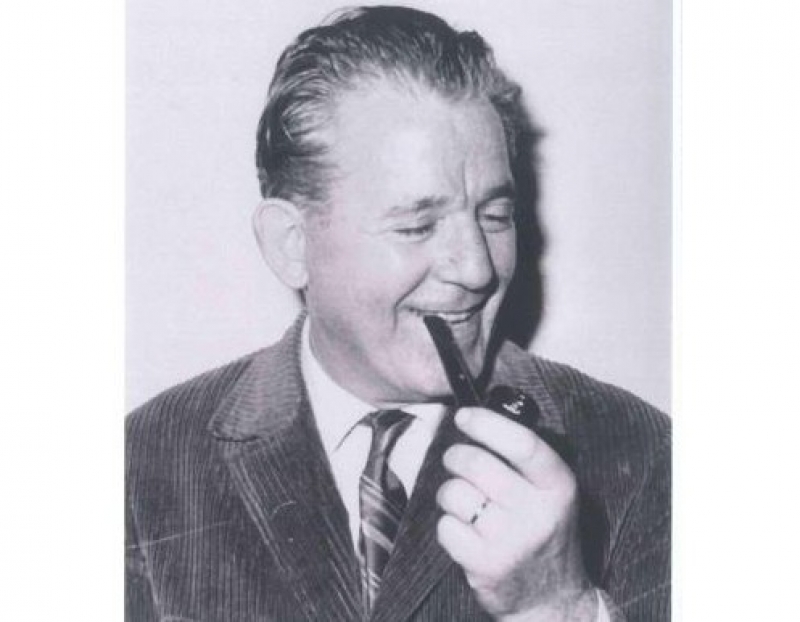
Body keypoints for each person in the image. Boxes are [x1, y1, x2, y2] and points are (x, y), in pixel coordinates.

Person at [126, 6, 670, 621]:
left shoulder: (643, 453)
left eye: (495, 216)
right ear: (291, 245)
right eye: (417, 226)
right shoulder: (143, 465)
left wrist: (556, 604)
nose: (477, 269)